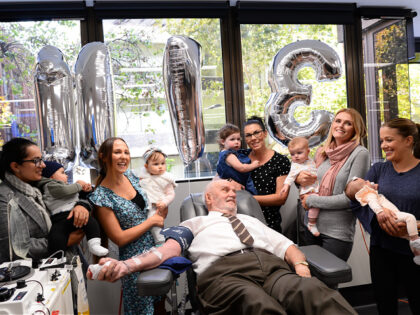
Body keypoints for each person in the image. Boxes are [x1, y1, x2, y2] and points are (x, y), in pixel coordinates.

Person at [89, 179, 356, 315]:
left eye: (233, 190)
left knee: (314, 292)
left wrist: (300, 265)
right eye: (225, 190)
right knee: (257, 304)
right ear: (208, 198)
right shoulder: (196, 222)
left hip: (274, 271)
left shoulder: (251, 219)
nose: (232, 193)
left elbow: (287, 247)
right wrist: (126, 265)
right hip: (225, 276)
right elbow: (166, 251)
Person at [351, 118, 420, 314]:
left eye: (389, 140)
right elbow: (355, 195)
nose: (383, 146)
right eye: (382, 141)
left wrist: (415, 225)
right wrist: (380, 215)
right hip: (382, 249)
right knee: (384, 303)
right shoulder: (379, 169)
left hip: (415, 252)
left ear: (408, 141)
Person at [89, 137, 165, 315]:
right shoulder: (101, 196)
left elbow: (147, 209)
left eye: (126, 152)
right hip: (134, 262)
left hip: (157, 251)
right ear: (104, 157)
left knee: (161, 306)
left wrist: (160, 211)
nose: (123, 157)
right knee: (143, 311)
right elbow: (119, 238)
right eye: (117, 152)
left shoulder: (131, 177)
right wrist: (151, 222)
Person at [0, 138, 89, 263]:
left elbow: (71, 199)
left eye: (41, 159)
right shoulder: (5, 198)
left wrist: (81, 205)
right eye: (36, 161)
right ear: (15, 166)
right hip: (38, 274)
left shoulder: (39, 186)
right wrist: (64, 240)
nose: (43, 165)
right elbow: (12, 248)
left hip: (70, 259)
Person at [298, 108, 370, 261]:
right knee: (310, 281)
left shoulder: (360, 153)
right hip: (310, 226)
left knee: (328, 282)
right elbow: (312, 185)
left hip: (337, 233)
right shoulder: (323, 152)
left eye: (348, 123)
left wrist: (311, 201)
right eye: (338, 121)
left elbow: (350, 198)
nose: (341, 126)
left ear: (355, 129)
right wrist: (301, 180)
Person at [37, 160, 108, 256]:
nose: (66, 175)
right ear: (51, 176)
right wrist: (79, 185)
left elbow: (77, 196)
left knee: (92, 223)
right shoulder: (50, 185)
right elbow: (65, 191)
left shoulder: (65, 185)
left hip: (73, 213)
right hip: (59, 218)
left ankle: (94, 244)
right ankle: (57, 257)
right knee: (56, 236)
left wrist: (85, 190)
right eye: (62, 173)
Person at [346, 177, 420, 265]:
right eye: (366, 182)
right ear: (365, 189)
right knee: (410, 218)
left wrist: (373, 186)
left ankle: (417, 254)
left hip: (393, 220)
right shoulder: (370, 195)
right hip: (393, 216)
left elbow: (374, 187)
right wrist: (380, 212)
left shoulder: (369, 193)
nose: (368, 181)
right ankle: (415, 239)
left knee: (407, 236)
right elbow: (373, 203)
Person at [242, 116, 291, 233]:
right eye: (248, 135)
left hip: (269, 224)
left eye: (256, 133)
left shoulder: (280, 161)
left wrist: (247, 199)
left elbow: (281, 197)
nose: (253, 138)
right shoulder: (241, 157)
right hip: (243, 223)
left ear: (264, 134)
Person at [280, 137, 320, 236]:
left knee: (314, 206)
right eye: (292, 154)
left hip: (314, 188)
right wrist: (286, 186)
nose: (296, 156)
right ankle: (311, 223)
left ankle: (310, 221)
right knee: (315, 204)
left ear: (308, 152)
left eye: (299, 153)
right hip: (307, 191)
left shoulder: (310, 160)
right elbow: (290, 176)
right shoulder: (296, 165)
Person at [139, 147, 177, 245]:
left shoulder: (166, 178)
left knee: (155, 223)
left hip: (157, 206)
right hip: (144, 206)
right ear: (146, 166)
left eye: (162, 163)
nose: (160, 166)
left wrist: (165, 202)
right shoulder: (143, 177)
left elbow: (171, 194)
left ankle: (160, 241)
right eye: (156, 164)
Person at [216, 123, 259, 195]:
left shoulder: (229, 153)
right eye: (232, 139)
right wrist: (254, 165)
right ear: (223, 142)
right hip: (238, 187)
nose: (236, 142)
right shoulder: (229, 155)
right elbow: (241, 168)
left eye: (238, 139)